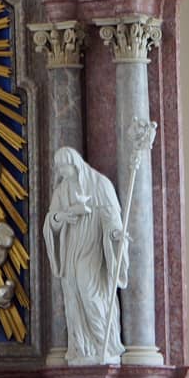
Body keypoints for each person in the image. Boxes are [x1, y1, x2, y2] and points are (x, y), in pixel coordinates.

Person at [42, 146, 127, 363]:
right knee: (72, 293)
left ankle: (104, 344)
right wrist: (61, 218)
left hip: (92, 248)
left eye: (64, 167)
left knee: (89, 292)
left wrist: (116, 233)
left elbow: (112, 217)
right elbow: (51, 219)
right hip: (71, 248)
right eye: (59, 168)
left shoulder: (100, 184)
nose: (61, 172)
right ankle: (83, 347)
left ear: (75, 163)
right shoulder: (62, 190)